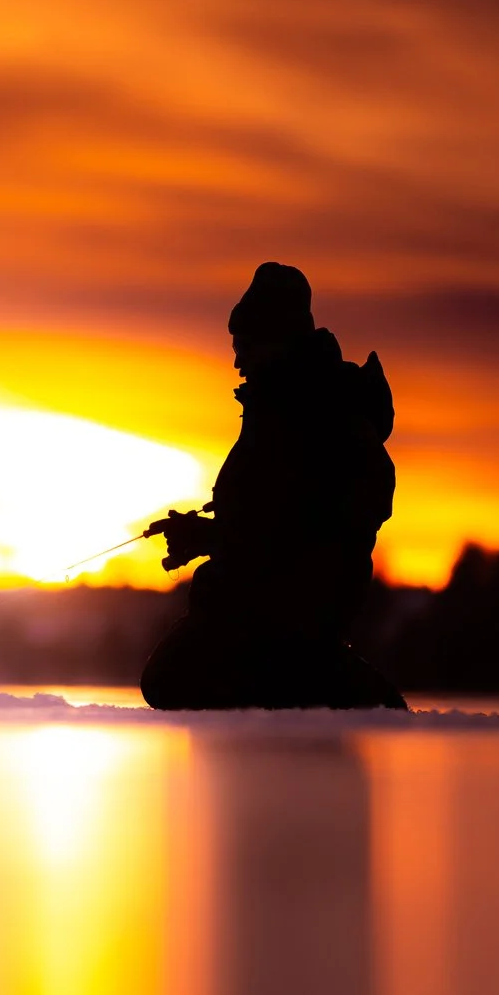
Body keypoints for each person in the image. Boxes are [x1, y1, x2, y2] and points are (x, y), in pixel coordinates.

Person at [139, 262, 408, 710]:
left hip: (289, 619)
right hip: (248, 612)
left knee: (174, 679)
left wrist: (214, 538)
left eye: (244, 345)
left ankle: (332, 686)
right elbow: (260, 514)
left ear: (277, 342)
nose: (236, 360)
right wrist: (205, 534)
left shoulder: (328, 417)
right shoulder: (274, 414)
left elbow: (308, 529)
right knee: (168, 679)